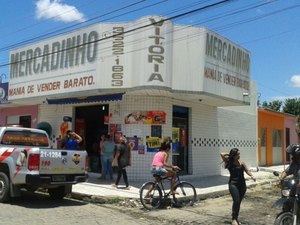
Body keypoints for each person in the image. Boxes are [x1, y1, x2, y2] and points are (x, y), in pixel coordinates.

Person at [220, 148, 256, 225]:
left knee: (238, 202)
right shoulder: (229, 162)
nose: (239, 155)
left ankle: (236, 218)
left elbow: (247, 170)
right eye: (237, 154)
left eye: (239, 154)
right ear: (234, 155)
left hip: (242, 185)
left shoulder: (241, 162)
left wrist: (252, 176)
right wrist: (230, 154)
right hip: (233, 184)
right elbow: (221, 154)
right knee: (236, 201)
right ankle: (234, 219)